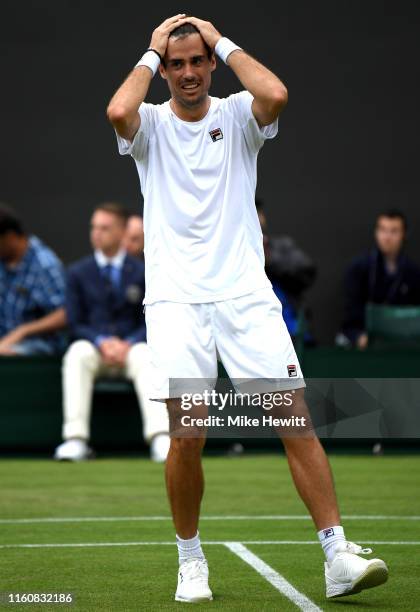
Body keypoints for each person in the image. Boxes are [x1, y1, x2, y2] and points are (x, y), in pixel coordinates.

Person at [107, 16, 388, 603]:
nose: (187, 73)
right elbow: (116, 111)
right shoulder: (151, 124)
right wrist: (152, 50)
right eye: (175, 64)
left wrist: (221, 39)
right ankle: (190, 559)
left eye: (196, 61)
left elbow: (276, 93)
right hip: (176, 302)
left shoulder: (238, 114)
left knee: (295, 419)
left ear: (211, 64)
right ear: (165, 71)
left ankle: (337, 555)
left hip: (246, 298)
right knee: (188, 436)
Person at [54, 202, 169, 463]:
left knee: (147, 355)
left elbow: (151, 320)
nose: (96, 233)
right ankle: (75, 440)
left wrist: (128, 343)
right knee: (76, 353)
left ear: (120, 232)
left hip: (132, 350)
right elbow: (74, 321)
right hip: (94, 349)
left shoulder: (143, 271)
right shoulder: (77, 273)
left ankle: (161, 437)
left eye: (104, 228)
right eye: (94, 227)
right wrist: (101, 341)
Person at [340, 209, 420, 349]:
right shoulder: (359, 268)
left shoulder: (413, 273)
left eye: (394, 231)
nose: (387, 237)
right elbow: (351, 314)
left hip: (403, 342)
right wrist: (360, 337)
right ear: (376, 233)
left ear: (404, 235)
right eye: (383, 230)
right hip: (363, 340)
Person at [0, 203, 67, 355]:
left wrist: (23, 331)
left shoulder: (45, 265)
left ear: (9, 237)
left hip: (37, 344)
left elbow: (64, 314)